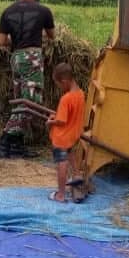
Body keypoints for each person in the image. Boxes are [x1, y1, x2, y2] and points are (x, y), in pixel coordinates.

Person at [0, 0, 55, 158]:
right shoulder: (44, 11)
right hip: (32, 57)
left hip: (16, 57)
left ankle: (17, 146)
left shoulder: (8, 11)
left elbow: (1, 42)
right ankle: (5, 139)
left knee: (21, 100)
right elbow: (52, 36)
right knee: (31, 103)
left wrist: (16, 39)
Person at [46, 63, 86, 202]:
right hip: (71, 135)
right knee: (70, 153)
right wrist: (56, 115)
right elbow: (69, 116)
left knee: (61, 163)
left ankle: (61, 195)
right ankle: (76, 175)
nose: (60, 88)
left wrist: (51, 122)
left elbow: (62, 121)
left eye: (59, 85)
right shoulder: (80, 94)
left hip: (61, 138)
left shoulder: (66, 98)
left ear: (64, 81)